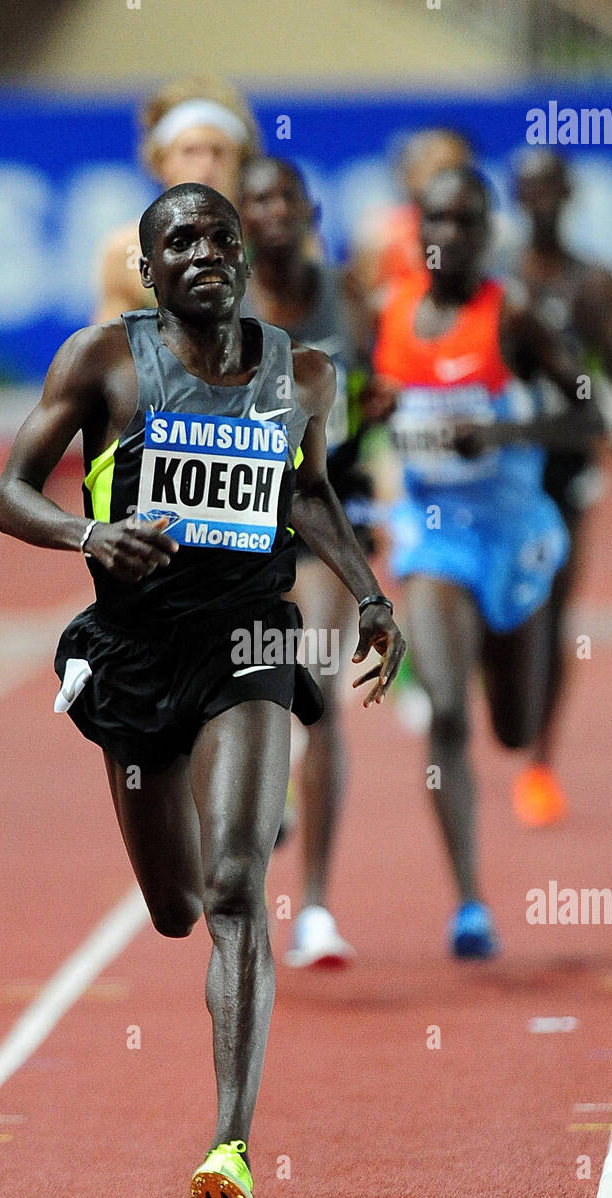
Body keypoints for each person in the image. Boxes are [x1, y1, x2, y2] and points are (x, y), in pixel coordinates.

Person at [0, 183, 405, 1198]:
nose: (207, 250)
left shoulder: (301, 370)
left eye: (222, 235)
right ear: (150, 267)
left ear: (243, 258)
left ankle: (231, 1142)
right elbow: (10, 492)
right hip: (133, 654)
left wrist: (366, 592)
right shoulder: (103, 360)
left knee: (232, 887)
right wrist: (91, 537)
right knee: (174, 909)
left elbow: (308, 490)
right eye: (183, 239)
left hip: (249, 639)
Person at [373, 167, 602, 959]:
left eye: (469, 222)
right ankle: (469, 903)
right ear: (420, 230)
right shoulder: (391, 315)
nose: (451, 237)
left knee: (513, 727)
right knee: (443, 709)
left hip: (514, 539)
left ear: (487, 232)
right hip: (436, 537)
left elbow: (590, 415)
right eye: (438, 221)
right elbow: (365, 407)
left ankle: (519, 723)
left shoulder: (518, 316)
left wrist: (499, 437)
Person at [239, 156, 380, 969]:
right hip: (246, 516)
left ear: (311, 209)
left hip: (328, 507)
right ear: (241, 221)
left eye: (287, 196)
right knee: (250, 681)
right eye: (257, 199)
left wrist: (378, 412)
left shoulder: (350, 297)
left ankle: (317, 905)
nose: (275, 210)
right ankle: (264, 798)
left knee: (316, 679)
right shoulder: (227, 306)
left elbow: (380, 393)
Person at [510, 149, 612, 826]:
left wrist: (602, 328)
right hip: (496, 469)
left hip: (562, 466)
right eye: (527, 192)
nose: (540, 204)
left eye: (550, 192)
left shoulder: (595, 281)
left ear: (569, 197)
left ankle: (540, 761)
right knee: (497, 610)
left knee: (552, 614)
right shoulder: (493, 278)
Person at [95, 77, 260, 321]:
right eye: (190, 151)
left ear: (241, 163)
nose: (206, 165)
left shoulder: (277, 242)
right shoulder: (126, 251)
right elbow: (110, 349)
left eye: (218, 151)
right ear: (161, 162)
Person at [350, 127, 474, 313]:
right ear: (411, 174)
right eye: (439, 170)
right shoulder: (378, 235)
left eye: (457, 169)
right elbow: (360, 307)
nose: (449, 181)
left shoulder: (494, 237)